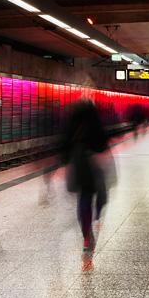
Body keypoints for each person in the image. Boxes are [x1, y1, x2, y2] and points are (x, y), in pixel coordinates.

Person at [61, 100, 109, 250]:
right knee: (99, 197)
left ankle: (87, 234)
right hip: (94, 170)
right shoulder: (95, 125)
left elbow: (64, 149)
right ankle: (97, 216)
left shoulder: (72, 125)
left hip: (79, 170)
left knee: (83, 200)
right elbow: (102, 145)